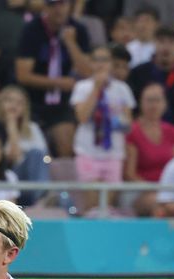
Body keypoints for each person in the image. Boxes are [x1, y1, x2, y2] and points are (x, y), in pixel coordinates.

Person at [16, 0, 92, 158]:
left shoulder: (79, 30)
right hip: (33, 101)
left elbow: (87, 72)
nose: (58, 10)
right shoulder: (31, 30)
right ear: (45, 7)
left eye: (63, 4)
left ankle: (64, 180)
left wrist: (71, 43)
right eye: (53, 4)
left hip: (63, 103)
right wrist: (57, 83)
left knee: (66, 142)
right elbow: (23, 75)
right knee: (36, 151)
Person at [71, 44, 135, 209]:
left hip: (113, 152)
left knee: (107, 206)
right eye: (97, 60)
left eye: (105, 60)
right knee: (92, 205)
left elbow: (128, 125)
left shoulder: (122, 89)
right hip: (87, 151)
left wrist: (114, 119)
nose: (101, 64)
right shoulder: (82, 87)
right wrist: (96, 89)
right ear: (90, 62)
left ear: (111, 63)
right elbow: (82, 117)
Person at [127, 25, 174, 132]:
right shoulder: (138, 73)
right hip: (144, 132)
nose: (166, 47)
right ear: (154, 44)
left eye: (171, 42)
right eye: (161, 41)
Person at [124, 82, 174, 216]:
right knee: (159, 204)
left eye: (157, 100)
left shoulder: (172, 132)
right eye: (149, 100)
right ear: (141, 103)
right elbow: (129, 173)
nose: (153, 105)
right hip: (139, 191)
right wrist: (154, 189)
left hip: (168, 191)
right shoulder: (132, 131)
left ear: (165, 104)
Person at [0, 84, 50, 203]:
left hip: (32, 178)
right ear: (0, 103)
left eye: (19, 103)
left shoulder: (32, 128)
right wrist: (11, 124)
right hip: (8, 177)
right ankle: (41, 197)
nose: (14, 105)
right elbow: (14, 158)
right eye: (9, 100)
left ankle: (41, 195)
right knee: (34, 153)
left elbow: (45, 157)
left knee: (36, 154)